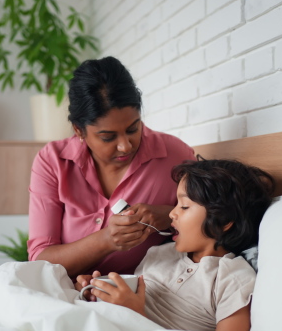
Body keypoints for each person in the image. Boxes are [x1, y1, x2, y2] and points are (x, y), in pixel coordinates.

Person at [27, 56, 196, 278]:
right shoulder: (53, 162)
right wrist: (105, 240)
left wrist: (169, 215)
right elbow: (40, 260)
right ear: (79, 130)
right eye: (108, 137)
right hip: (65, 291)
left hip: (141, 295)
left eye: (133, 129)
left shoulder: (175, 156)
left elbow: (211, 223)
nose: (125, 146)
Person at [75, 158, 276, 331]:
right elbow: (126, 299)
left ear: (223, 221)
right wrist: (97, 290)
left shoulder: (231, 279)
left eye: (184, 206)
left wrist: (136, 317)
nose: (171, 213)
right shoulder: (159, 253)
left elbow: (132, 310)